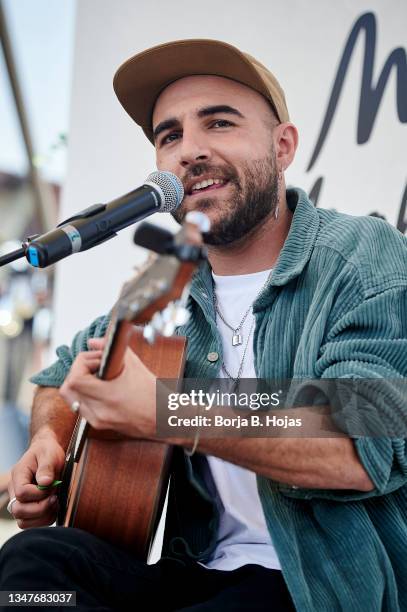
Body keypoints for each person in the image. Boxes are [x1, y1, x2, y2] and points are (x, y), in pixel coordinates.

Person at [0, 39, 406, 612]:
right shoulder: (166, 289)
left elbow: (366, 438)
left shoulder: (363, 255)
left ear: (283, 145)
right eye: (170, 136)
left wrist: (170, 409)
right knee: (33, 579)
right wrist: (47, 439)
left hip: (317, 586)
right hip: (190, 575)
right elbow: (56, 379)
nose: (190, 150)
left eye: (219, 123)